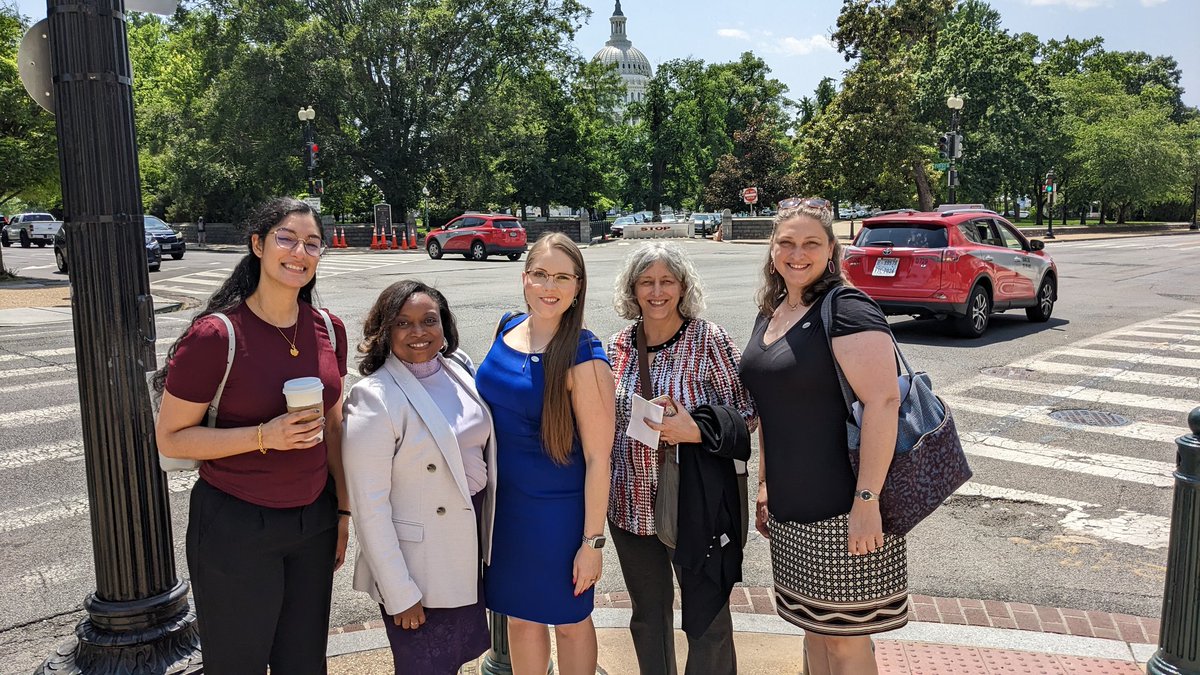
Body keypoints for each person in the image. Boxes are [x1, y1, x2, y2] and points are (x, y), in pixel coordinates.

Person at [153, 197, 349, 674]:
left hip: (313, 520)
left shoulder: (329, 328)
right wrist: (266, 435)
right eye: (286, 238)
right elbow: (173, 439)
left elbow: (336, 428)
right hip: (235, 524)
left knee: (303, 663)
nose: (299, 252)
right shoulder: (216, 336)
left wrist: (343, 509)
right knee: (238, 664)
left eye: (312, 243)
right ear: (258, 245)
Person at [739, 198, 908, 675]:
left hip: (845, 508)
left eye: (811, 243)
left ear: (831, 250)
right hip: (793, 510)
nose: (798, 253)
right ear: (772, 250)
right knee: (813, 629)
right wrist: (766, 487)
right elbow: (773, 412)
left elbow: (883, 403)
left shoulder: (848, 307)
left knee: (846, 642)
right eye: (787, 243)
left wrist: (868, 501)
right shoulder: (772, 313)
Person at [606, 241, 757, 675]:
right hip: (631, 506)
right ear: (632, 289)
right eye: (646, 282)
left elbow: (746, 413)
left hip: (696, 506)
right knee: (647, 618)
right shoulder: (617, 347)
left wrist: (695, 429)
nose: (657, 292)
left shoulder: (709, 340)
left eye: (666, 281)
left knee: (707, 620)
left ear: (682, 286)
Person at [476, 232, 615, 675]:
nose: (548, 286)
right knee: (519, 618)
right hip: (504, 511)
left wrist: (591, 544)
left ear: (578, 287)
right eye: (539, 274)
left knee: (571, 620)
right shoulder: (506, 326)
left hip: (558, 518)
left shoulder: (585, 356)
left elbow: (599, 459)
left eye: (561, 277)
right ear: (524, 277)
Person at [342, 280, 494, 674]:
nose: (419, 332)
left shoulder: (458, 367)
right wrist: (399, 592)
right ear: (385, 331)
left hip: (466, 545)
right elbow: (369, 508)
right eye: (403, 323)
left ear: (444, 325)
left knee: (454, 663)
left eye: (429, 320)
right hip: (419, 568)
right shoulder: (373, 397)